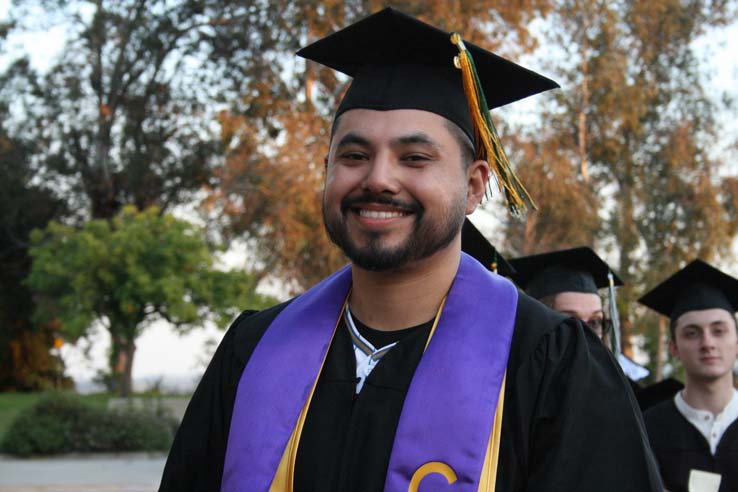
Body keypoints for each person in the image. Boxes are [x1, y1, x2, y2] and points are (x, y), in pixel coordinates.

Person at [159, 8, 662, 492]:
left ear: (473, 186)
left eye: (414, 157)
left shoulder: (549, 363)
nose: (378, 178)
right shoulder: (254, 349)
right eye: (354, 156)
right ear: (328, 171)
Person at [640, 259, 738, 492]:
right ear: (674, 347)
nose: (707, 343)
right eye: (692, 333)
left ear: (737, 342)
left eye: (718, 331)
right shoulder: (647, 430)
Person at [508, 247, 650, 383]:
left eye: (595, 322)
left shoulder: (610, 398)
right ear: (536, 324)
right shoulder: (504, 393)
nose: (585, 334)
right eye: (571, 322)